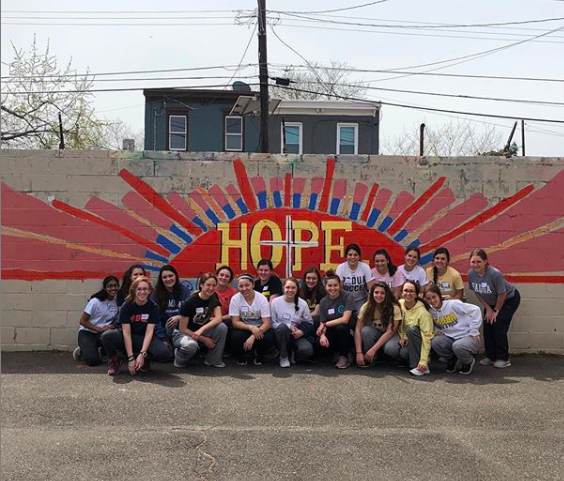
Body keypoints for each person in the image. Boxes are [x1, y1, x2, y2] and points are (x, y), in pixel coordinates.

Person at [101, 276, 170, 376]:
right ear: (134, 290)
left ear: (150, 290)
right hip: (126, 336)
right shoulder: (127, 306)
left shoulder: (153, 307)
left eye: (145, 289)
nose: (142, 292)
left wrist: (143, 354)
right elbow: (127, 333)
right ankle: (115, 360)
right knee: (107, 336)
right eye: (139, 289)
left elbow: (149, 332)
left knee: (164, 353)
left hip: (143, 338)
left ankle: (143, 359)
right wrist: (130, 359)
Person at [468, 248, 521, 369]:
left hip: (508, 299)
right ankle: (490, 356)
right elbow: (478, 292)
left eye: (478, 262)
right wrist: (488, 309)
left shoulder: (494, 274)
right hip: (490, 303)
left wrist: (496, 311)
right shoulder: (471, 274)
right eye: (473, 262)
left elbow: (502, 294)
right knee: (487, 325)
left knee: (498, 325)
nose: (475, 265)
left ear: (486, 261)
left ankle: (503, 358)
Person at [424, 284, 482, 375]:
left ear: (439, 295)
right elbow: (430, 323)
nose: (432, 300)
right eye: (428, 298)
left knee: (457, 346)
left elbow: (476, 310)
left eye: (434, 297)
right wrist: (435, 330)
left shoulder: (453, 304)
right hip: (449, 338)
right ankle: (452, 359)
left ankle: (468, 362)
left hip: (468, 337)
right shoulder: (430, 311)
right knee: (435, 341)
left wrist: (474, 331)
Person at [173, 273, 228, 368]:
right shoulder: (190, 302)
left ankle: (213, 360)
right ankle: (179, 357)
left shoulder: (214, 296)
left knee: (222, 327)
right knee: (190, 345)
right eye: (208, 285)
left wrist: (201, 330)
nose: (211, 288)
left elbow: (218, 318)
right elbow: (182, 328)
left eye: (214, 285)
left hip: (200, 330)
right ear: (202, 285)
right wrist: (203, 339)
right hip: (184, 333)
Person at [384, 280, 434, 376]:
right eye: (405, 290)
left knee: (411, 331)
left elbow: (427, 338)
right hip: (404, 337)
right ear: (402, 292)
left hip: (418, 339)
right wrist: (403, 337)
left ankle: (420, 365)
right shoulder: (400, 303)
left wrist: (423, 360)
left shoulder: (423, 313)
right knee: (389, 348)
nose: (408, 293)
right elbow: (401, 325)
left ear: (416, 294)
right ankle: (405, 360)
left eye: (411, 291)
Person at [229, 273, 276, 365]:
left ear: (253, 285)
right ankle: (241, 355)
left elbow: (267, 323)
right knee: (236, 336)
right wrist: (251, 328)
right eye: (241, 286)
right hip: (244, 327)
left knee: (268, 337)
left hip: (260, 327)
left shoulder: (261, 299)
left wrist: (253, 335)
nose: (244, 289)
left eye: (247, 285)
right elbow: (235, 322)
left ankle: (260, 354)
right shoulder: (235, 299)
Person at [73, 276, 120, 366]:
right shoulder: (95, 302)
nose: (113, 288)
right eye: (110, 286)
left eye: (115, 285)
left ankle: (99, 349)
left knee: (113, 335)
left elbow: (114, 319)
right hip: (87, 332)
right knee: (92, 361)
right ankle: (83, 349)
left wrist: (112, 326)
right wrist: (99, 329)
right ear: (105, 288)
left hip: (102, 334)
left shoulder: (115, 302)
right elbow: (82, 321)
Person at [354, 281, 402, 368]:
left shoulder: (394, 308)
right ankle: (372, 359)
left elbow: (390, 332)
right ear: (372, 293)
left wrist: (373, 349)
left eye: (382, 293)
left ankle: (396, 358)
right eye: (376, 292)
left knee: (390, 348)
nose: (379, 295)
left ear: (386, 295)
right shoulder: (366, 306)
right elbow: (357, 328)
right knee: (365, 331)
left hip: (391, 335)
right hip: (377, 332)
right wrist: (359, 352)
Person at [271, 277, 315, 367]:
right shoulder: (275, 302)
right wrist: (288, 325)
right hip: (281, 334)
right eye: (288, 287)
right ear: (283, 288)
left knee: (307, 350)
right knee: (283, 328)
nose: (290, 290)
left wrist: (302, 331)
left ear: (297, 289)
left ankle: (293, 353)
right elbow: (272, 323)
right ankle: (283, 356)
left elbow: (310, 323)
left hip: (296, 335)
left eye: (293, 288)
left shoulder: (302, 303)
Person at [317, 270, 355, 369]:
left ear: (340, 285)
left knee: (341, 327)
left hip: (347, 332)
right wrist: (322, 335)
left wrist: (326, 324)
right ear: (325, 287)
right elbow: (322, 323)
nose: (333, 288)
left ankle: (344, 356)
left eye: (335, 285)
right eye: (330, 286)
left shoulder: (347, 296)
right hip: (332, 331)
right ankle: (336, 354)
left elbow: (345, 319)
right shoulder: (323, 302)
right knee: (321, 339)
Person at [152, 264, 191, 357]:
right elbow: (155, 320)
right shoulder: (155, 294)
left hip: (182, 327)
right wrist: (163, 339)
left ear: (176, 276)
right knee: (166, 355)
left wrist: (179, 316)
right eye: (164, 277)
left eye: (170, 276)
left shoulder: (184, 291)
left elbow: (190, 311)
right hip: (164, 330)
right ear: (161, 279)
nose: (168, 279)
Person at [336, 243, 375, 312]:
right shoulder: (341, 268)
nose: (352, 257)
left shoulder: (365, 267)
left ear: (359, 257)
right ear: (346, 256)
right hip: (346, 300)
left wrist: (369, 304)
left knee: (361, 317)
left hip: (361, 299)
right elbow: (339, 289)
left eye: (355, 255)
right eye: (350, 255)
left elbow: (371, 288)